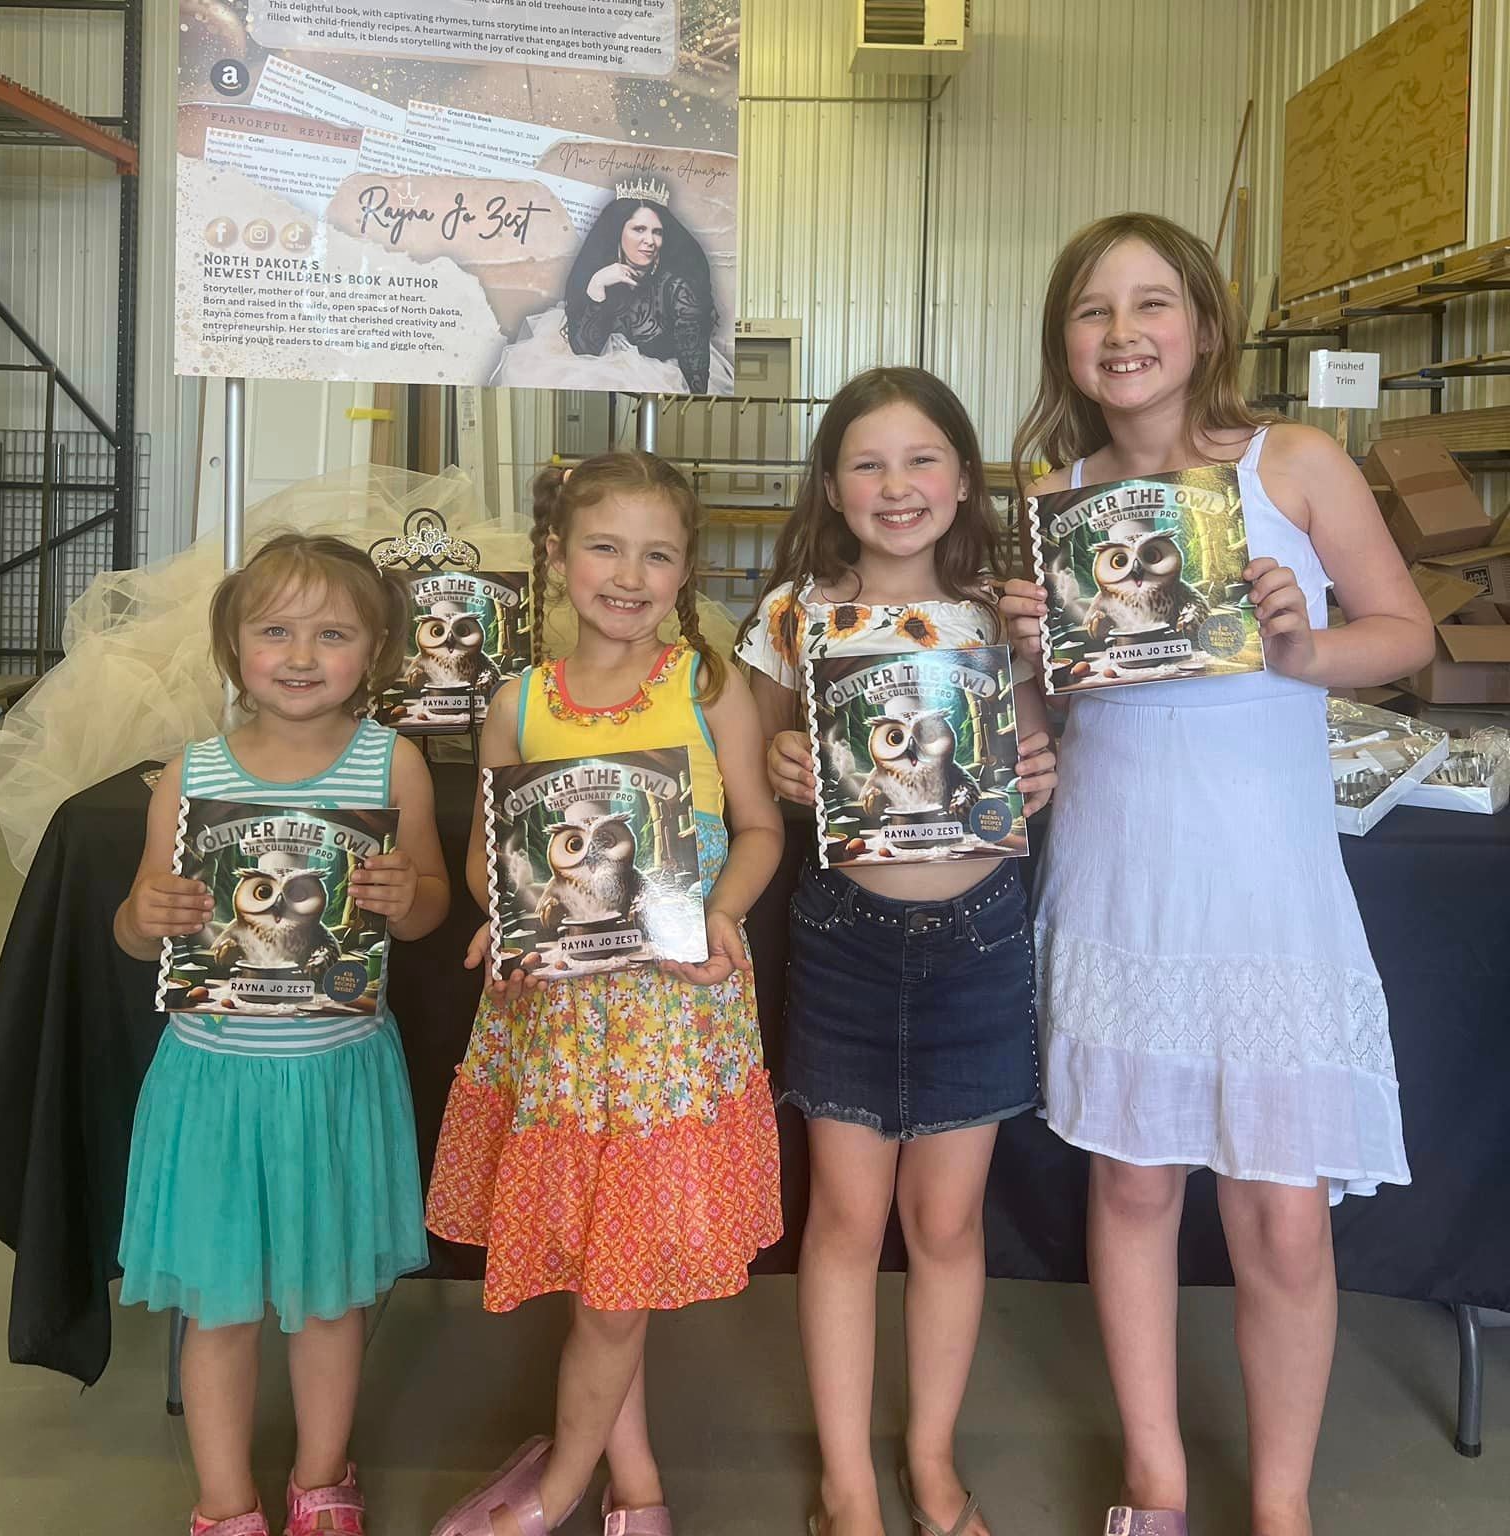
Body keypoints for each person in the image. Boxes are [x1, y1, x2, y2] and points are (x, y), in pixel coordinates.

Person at [1001, 213, 1435, 1536]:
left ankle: (1284, 1505)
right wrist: (1023, 675)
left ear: (1202, 323)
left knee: (1284, 1220)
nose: (1121, 334)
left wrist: (1302, 649)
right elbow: (1045, 720)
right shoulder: (1051, 502)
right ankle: (1157, 1480)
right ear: (1065, 344)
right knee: (1131, 1186)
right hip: (1124, 878)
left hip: (1267, 893)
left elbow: (1404, 631)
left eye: (1149, 305)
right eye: (1091, 310)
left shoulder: (1292, 464)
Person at [425, 451, 784, 1536]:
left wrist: (725, 911)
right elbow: (492, 855)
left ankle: (558, 1487)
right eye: (604, 546)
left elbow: (761, 830)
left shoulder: (706, 688)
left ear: (687, 572)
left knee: (613, 1286)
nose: (628, 574)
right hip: (556, 1031)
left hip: (670, 1028)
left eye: (658, 553)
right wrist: (505, 901)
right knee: (599, 1268)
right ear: (556, 556)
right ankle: (635, 1487)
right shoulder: (517, 700)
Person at [734, 366, 1059, 1536]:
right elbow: (767, 778)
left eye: (922, 459)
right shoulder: (790, 614)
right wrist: (774, 773)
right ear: (831, 484)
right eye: (867, 463)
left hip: (978, 936)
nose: (896, 485)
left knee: (950, 1223)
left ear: (963, 479)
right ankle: (848, 1484)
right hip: (844, 938)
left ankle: (929, 1460)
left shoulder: (1008, 614)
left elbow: (1030, 757)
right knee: (843, 1219)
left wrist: (1040, 762)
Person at [114, 533, 451, 1536]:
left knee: (329, 1302)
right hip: (211, 1080)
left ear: (376, 649)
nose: (301, 655)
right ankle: (224, 1502)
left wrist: (405, 894)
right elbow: (133, 927)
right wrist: (152, 914)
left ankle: (322, 1480)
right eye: (275, 631)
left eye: (332, 633)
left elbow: (430, 906)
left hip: (335, 1075)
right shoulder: (191, 771)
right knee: (215, 1309)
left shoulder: (392, 762)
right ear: (233, 647)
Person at [492, 187, 731, 397]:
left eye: (656, 232)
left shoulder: (677, 287)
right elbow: (585, 350)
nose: (650, 240)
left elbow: (695, 370)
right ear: (618, 232)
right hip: (599, 383)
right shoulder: (602, 275)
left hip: (660, 384)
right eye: (639, 229)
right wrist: (597, 285)